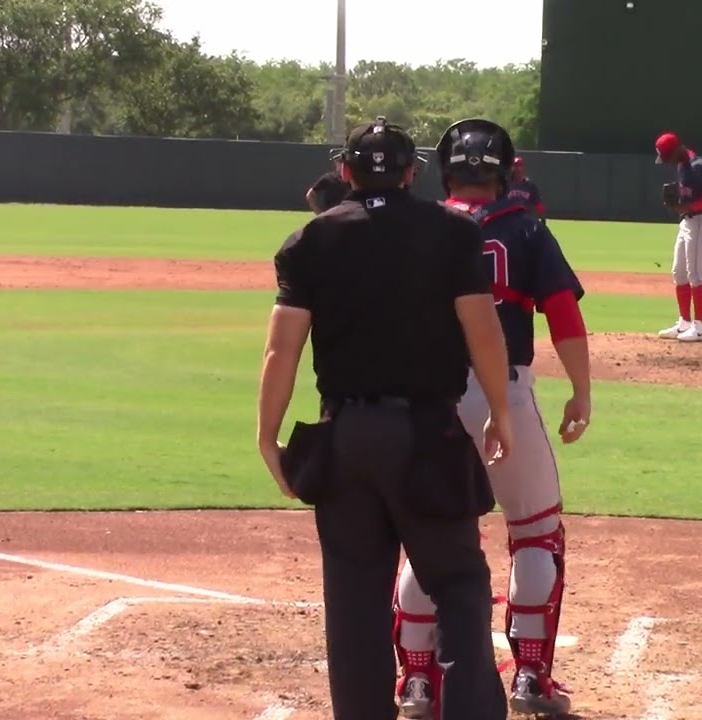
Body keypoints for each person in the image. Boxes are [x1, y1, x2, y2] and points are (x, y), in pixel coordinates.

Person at [256, 117, 513, 720]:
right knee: (457, 584)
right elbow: (483, 331)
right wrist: (500, 412)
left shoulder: (309, 241)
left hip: (345, 439)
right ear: (412, 173)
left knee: (353, 602)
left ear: (344, 172)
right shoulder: (451, 233)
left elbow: (281, 349)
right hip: (428, 435)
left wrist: (268, 435)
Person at [392, 117, 592, 719]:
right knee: (535, 531)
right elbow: (564, 318)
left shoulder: (416, 230)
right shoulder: (527, 230)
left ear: (444, 170)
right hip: (505, 393)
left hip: (428, 401)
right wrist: (581, 392)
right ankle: (530, 675)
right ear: (503, 173)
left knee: (427, 533)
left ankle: (418, 684)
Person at [653, 131, 702, 342]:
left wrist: (687, 205)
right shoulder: (681, 163)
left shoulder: (697, 166)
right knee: (679, 272)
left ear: (676, 151)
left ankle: (699, 327)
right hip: (688, 221)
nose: (666, 163)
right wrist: (679, 204)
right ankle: (684, 323)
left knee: (695, 275)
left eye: (667, 157)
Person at [305, 148, 350, 214]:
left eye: (344, 163)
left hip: (348, 215)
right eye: (340, 162)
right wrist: (319, 213)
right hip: (331, 216)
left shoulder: (353, 180)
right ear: (336, 162)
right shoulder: (328, 178)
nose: (342, 165)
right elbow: (310, 195)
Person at [506, 156, 545, 221]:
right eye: (515, 165)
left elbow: (539, 204)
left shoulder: (530, 186)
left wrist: (542, 218)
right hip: (509, 219)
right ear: (511, 168)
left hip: (526, 220)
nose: (517, 168)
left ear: (523, 168)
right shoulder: (505, 184)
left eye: (519, 165)